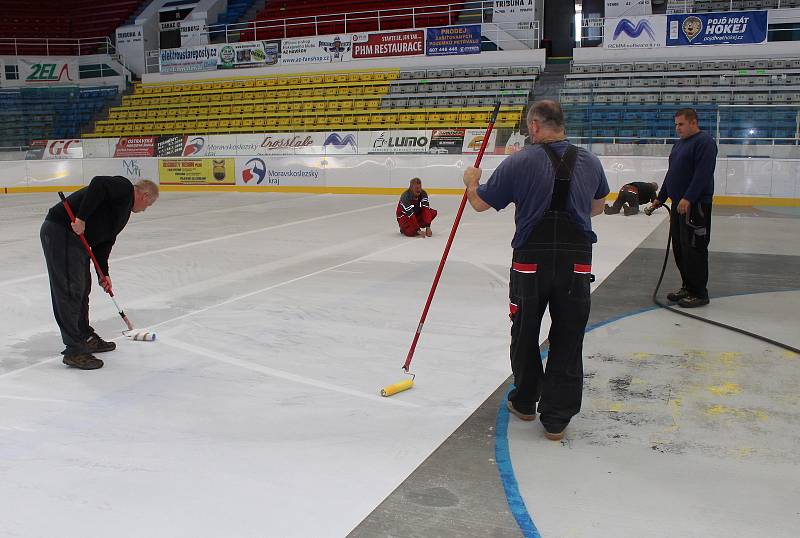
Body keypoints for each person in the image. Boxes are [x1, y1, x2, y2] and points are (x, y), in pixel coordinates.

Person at [462, 100, 609, 441]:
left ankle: (526, 401)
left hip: (530, 260)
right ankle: (556, 419)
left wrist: (471, 181)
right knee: (569, 335)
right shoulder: (590, 161)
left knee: (525, 329)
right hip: (576, 260)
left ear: (536, 126)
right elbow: (597, 208)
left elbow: (481, 204)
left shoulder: (520, 161)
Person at [40, 177, 159, 370]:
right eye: (149, 204)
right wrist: (81, 218)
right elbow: (98, 184)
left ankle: (85, 336)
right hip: (61, 231)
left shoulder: (123, 212)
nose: (146, 209)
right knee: (70, 291)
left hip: (76, 240)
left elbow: (105, 242)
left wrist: (103, 273)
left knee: (82, 289)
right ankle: (74, 351)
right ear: (145, 196)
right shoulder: (123, 188)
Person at [650, 108, 717, 308]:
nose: (677, 128)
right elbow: (672, 174)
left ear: (693, 123)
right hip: (679, 206)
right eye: (676, 124)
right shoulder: (679, 145)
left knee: (695, 248)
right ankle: (688, 287)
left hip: (695, 206)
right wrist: (660, 198)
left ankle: (699, 293)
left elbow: (703, 174)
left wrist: (689, 197)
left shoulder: (705, 143)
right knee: (681, 248)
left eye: (681, 124)